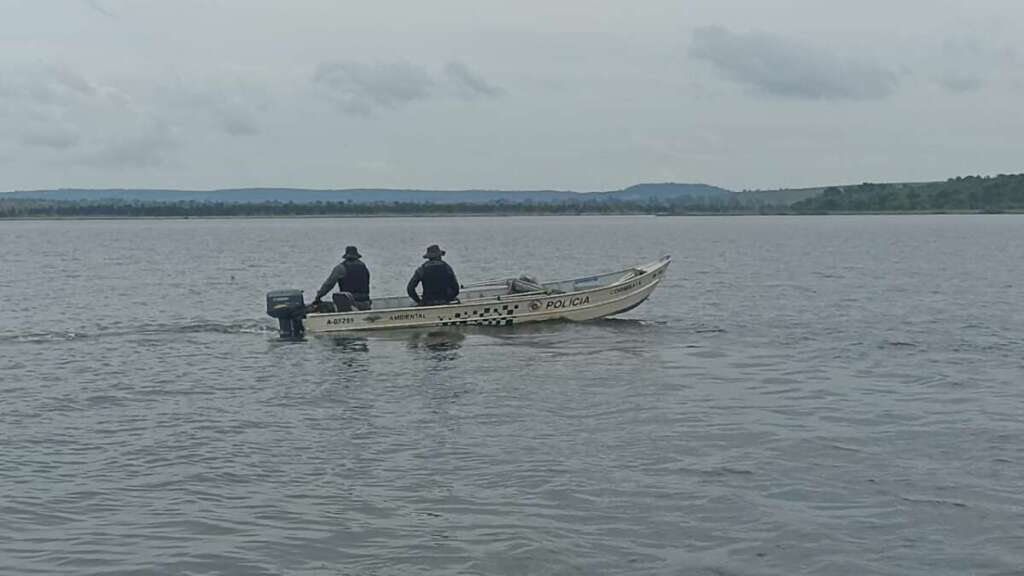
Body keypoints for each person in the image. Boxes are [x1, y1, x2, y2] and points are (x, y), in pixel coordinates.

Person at [314, 246, 371, 311]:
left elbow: (329, 284)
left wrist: (318, 296)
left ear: (346, 257)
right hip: (366, 303)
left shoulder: (341, 268)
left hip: (349, 304)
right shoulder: (364, 267)